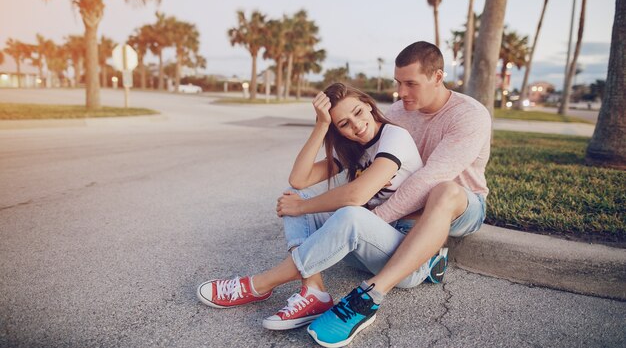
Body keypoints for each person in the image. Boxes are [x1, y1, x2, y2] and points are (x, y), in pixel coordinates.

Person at [196, 82, 448, 331]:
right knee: (294, 195)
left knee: (346, 212)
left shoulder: (395, 137)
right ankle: (313, 290)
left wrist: (301, 208)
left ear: (369, 106)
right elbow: (299, 179)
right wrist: (321, 125)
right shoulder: (353, 148)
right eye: (343, 124)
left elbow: (356, 195)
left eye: (358, 113)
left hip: (407, 258)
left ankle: (259, 284)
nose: (356, 126)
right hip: (370, 245)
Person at [307, 41, 492, 347]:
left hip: (460, 206)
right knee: (329, 223)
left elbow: (429, 178)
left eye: (411, 84)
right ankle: (426, 259)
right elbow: (363, 160)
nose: (401, 92)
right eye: (398, 83)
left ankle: (369, 297)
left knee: (443, 190)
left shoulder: (469, 115)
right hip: (403, 211)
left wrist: (373, 219)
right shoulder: (398, 112)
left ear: (437, 77)